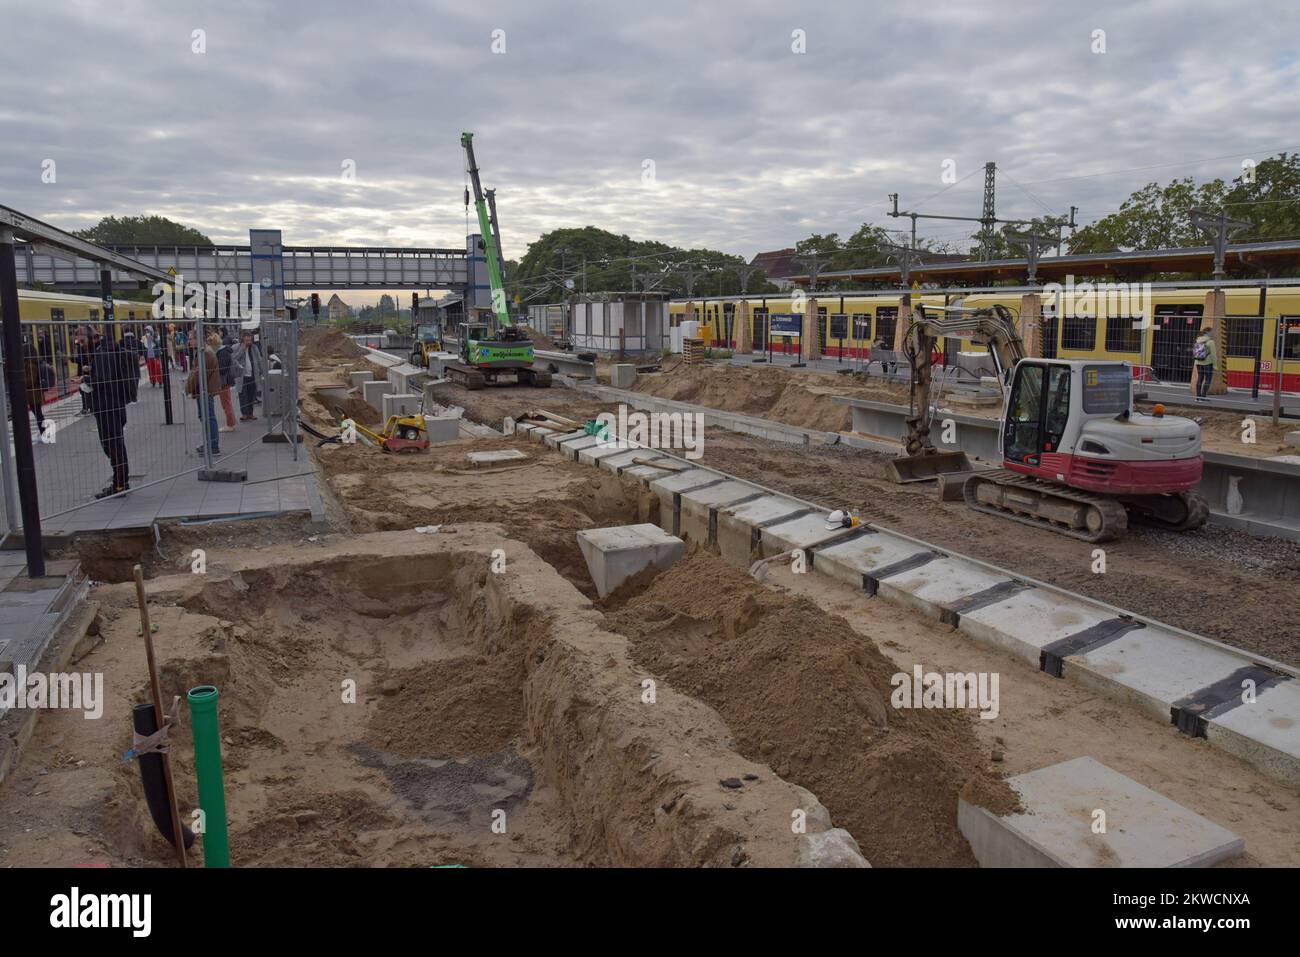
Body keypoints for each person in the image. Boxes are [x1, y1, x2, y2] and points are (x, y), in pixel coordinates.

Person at [87, 329, 134, 498]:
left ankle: (120, 484)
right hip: (112, 405)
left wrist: (87, 381)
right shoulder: (108, 350)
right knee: (115, 445)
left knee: (113, 445)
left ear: (93, 338)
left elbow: (103, 379)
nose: (78, 343)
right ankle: (120, 482)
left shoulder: (104, 353)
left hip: (108, 407)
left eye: (80, 339)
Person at [187, 335, 222, 456]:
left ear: (198, 339)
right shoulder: (203, 351)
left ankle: (213, 446)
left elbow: (199, 374)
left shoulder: (205, 353)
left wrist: (188, 388)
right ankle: (209, 443)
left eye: (191, 338)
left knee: (208, 417)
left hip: (205, 390)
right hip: (204, 390)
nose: (189, 340)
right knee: (205, 417)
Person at [230, 330, 263, 421]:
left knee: (251, 395)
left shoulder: (254, 347)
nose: (248, 342)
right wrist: (242, 349)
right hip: (241, 376)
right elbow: (233, 358)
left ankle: (250, 413)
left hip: (253, 374)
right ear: (242, 340)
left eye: (250, 340)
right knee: (242, 395)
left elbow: (259, 359)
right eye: (246, 341)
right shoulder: (235, 347)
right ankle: (244, 414)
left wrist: (262, 371)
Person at [20, 338, 46, 434]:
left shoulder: (30, 364)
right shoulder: (33, 362)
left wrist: (21, 382)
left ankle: (44, 433)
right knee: (38, 413)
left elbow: (31, 379)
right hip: (34, 394)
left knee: (38, 414)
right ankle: (43, 432)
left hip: (33, 394)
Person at [214, 333, 237, 431]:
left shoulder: (222, 352)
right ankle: (232, 422)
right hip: (226, 379)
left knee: (226, 403)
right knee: (227, 402)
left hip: (224, 380)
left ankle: (230, 424)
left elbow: (222, 369)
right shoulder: (224, 350)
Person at [1193, 325, 1218, 401]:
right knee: (1208, 380)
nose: (1212, 334)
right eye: (1211, 332)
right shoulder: (1210, 341)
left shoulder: (1197, 340)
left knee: (1200, 378)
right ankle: (1203, 397)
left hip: (1198, 362)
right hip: (1207, 363)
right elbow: (1213, 355)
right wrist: (1215, 365)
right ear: (1207, 332)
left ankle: (1198, 397)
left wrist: (1195, 363)